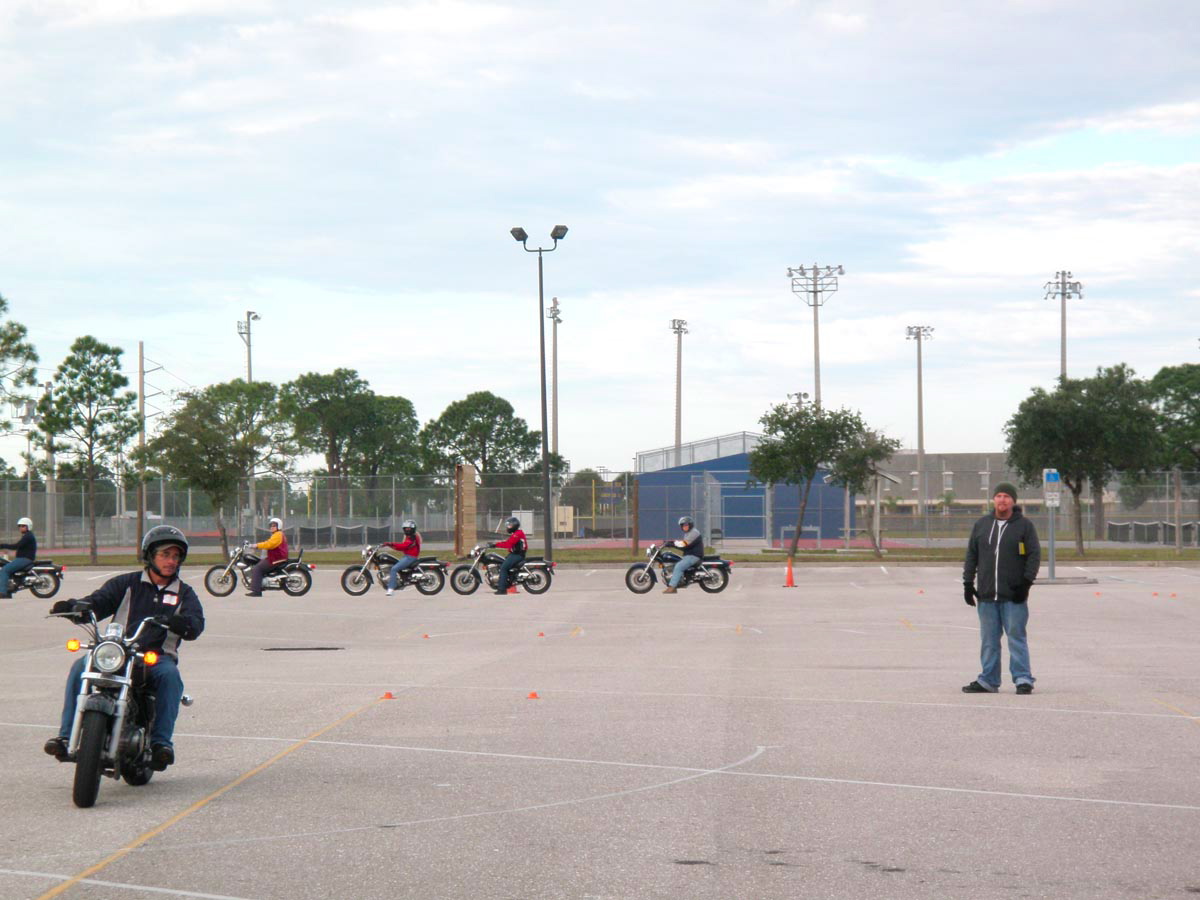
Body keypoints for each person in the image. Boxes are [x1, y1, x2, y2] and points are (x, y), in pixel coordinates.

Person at [43, 525, 204, 770]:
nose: (171, 561)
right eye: (165, 555)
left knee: (171, 677)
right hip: (119, 652)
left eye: (175, 556)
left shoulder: (184, 593)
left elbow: (196, 623)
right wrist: (75, 607)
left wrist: (183, 623)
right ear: (150, 556)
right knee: (80, 667)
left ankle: (161, 744)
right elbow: (99, 602)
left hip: (156, 658)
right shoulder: (127, 583)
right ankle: (65, 737)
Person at [962, 482, 1041, 695]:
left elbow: (1034, 556)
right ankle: (988, 680)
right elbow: (972, 555)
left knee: (1016, 638)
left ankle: (1023, 678)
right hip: (987, 595)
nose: (1002, 500)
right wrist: (968, 583)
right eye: (999, 496)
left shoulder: (1024, 526)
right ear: (993, 500)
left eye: (1006, 496)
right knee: (989, 640)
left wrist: (1026, 584)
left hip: (1013, 596)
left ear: (1013, 501)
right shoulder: (982, 525)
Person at [247, 517, 288, 597]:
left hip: (276, 558)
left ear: (279, 526)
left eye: (274, 526)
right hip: (275, 557)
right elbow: (269, 543)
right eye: (271, 526)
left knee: (257, 568)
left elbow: (269, 544)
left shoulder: (278, 535)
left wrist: (255, 546)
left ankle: (256, 591)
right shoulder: (277, 534)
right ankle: (260, 584)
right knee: (259, 564)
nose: (272, 527)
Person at [663, 515, 704, 594]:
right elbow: (684, 545)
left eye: (686, 525)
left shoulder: (694, 532)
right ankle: (677, 582)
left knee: (679, 567)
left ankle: (672, 588)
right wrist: (671, 543)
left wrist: (672, 543)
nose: (684, 527)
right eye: (682, 525)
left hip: (694, 556)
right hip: (689, 555)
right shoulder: (688, 533)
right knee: (676, 564)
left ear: (690, 525)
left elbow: (684, 544)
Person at [381, 520, 421, 596]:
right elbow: (402, 547)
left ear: (412, 529)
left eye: (408, 528)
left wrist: (390, 544)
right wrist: (389, 545)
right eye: (405, 528)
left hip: (410, 557)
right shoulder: (410, 537)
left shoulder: (412, 537)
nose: (407, 530)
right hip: (407, 556)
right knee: (394, 566)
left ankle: (391, 589)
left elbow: (404, 546)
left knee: (394, 569)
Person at [0, 516, 36, 598]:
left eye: (23, 526)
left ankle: (2, 592)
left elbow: (16, 546)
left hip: (24, 559)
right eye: (19, 526)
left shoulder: (28, 536)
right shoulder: (27, 536)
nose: (20, 527)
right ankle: (8, 591)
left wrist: (2, 546)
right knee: (8, 569)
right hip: (23, 558)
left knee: (5, 570)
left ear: (28, 526)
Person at [489, 516, 526, 595]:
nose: (508, 527)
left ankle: (502, 589)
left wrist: (495, 545)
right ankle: (506, 582)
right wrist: (496, 544)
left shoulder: (517, 534)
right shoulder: (516, 533)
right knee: (501, 563)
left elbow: (508, 544)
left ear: (514, 525)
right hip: (514, 554)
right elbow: (510, 543)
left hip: (517, 555)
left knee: (503, 568)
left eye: (509, 525)